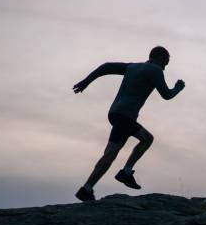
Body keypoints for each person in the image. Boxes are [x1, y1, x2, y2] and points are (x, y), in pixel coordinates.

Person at [72, 46, 185, 202]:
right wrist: (178, 88)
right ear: (160, 58)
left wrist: (86, 82)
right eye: (166, 61)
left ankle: (106, 180)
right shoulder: (155, 70)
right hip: (126, 116)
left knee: (132, 144)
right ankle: (98, 184)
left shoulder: (133, 66)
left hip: (115, 113)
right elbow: (166, 95)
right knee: (121, 149)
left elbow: (106, 67)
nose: (166, 65)